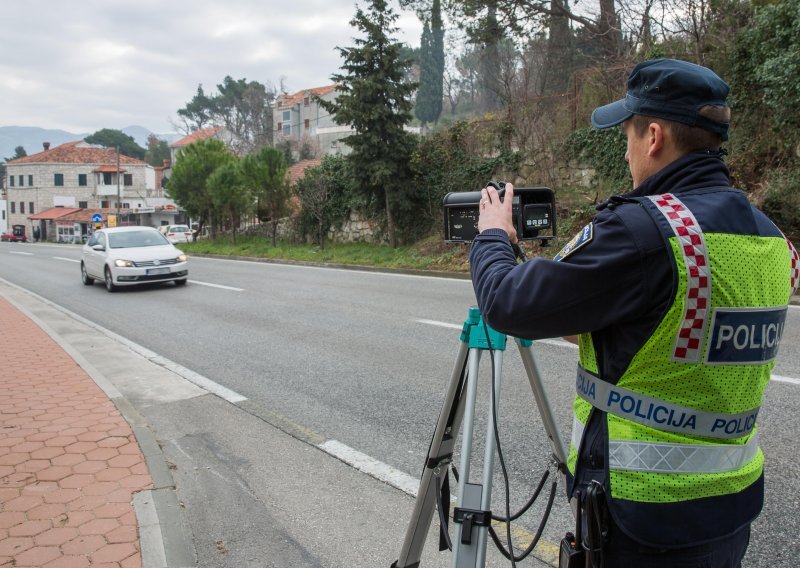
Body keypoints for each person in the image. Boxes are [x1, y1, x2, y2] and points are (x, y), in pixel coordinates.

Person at [469, 58, 799, 567]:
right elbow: (675, 330)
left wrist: (493, 235)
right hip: (729, 509)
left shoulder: (646, 232)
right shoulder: (771, 238)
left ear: (652, 136)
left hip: (641, 520)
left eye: (625, 135)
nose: (625, 153)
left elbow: (506, 304)